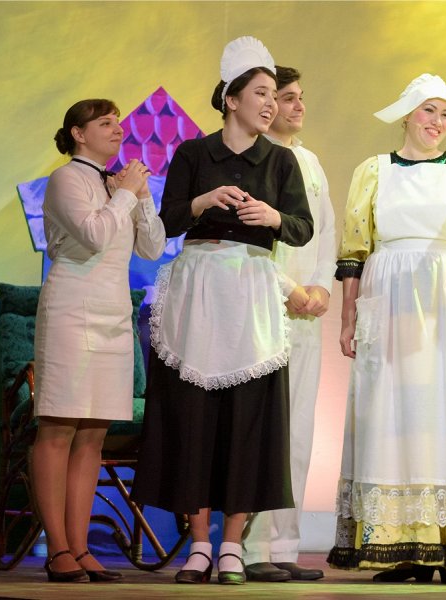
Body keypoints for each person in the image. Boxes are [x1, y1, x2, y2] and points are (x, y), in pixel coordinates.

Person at [131, 36, 313, 585]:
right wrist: (202, 202)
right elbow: (165, 222)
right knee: (193, 415)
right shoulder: (194, 153)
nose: (270, 104)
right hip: (199, 289)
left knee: (248, 416)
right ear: (231, 99)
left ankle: (232, 544)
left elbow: (302, 228)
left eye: (274, 95)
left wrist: (273, 218)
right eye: (260, 93)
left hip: (251, 290)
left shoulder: (280, 160)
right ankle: (199, 544)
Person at [326, 73, 446, 585]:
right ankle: (401, 548)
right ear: (408, 114)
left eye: (445, 113)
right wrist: (348, 317)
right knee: (394, 414)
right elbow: (353, 249)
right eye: (429, 110)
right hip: (389, 299)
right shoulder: (374, 170)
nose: (438, 122)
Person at [33, 98, 165, 582]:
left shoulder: (116, 186)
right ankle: (57, 548)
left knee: (92, 434)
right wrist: (125, 194)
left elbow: (152, 246)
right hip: (71, 310)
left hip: (112, 313)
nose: (118, 129)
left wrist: (140, 195)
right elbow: (92, 234)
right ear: (78, 133)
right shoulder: (66, 178)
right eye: (105, 123)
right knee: (59, 426)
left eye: (119, 123)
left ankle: (81, 546)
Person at [242, 65, 337, 583]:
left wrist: (320, 286)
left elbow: (325, 233)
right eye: (286, 97)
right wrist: (289, 288)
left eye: (301, 97)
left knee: (298, 430)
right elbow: (247, 246)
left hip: (306, 314)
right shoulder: (255, 160)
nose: (298, 106)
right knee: (263, 429)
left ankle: (283, 544)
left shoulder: (310, 161)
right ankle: (249, 548)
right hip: (263, 307)